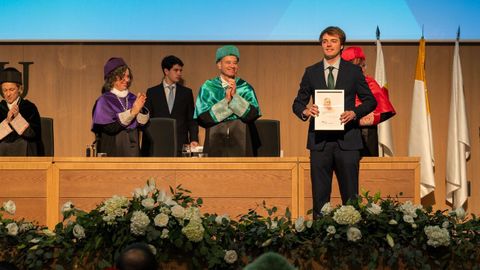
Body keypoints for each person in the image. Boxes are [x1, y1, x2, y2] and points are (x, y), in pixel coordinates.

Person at [292, 26, 377, 218]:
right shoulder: (311, 72)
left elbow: (371, 101)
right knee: (320, 198)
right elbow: (297, 103)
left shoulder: (354, 72)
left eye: (333, 41)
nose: (328, 45)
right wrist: (306, 110)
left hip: (348, 141)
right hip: (320, 143)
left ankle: (352, 238)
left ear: (341, 45)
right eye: (325, 41)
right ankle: (321, 240)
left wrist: (354, 113)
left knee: (350, 197)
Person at [194, 45, 261, 157]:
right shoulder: (208, 87)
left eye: (235, 63)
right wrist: (226, 101)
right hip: (214, 140)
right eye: (228, 62)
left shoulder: (245, 87)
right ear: (219, 65)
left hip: (241, 139)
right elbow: (202, 118)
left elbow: (253, 115)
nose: (232, 66)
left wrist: (235, 98)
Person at [341, 46, 396, 156]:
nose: (362, 69)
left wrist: (356, 120)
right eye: (358, 66)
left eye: (363, 65)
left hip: (365, 135)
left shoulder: (369, 82)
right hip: (342, 135)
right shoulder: (338, 84)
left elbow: (385, 112)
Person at [92, 57, 149, 157]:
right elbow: (110, 128)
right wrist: (132, 113)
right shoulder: (104, 101)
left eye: (128, 76)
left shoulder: (132, 98)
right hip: (112, 150)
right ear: (112, 77)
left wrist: (141, 110)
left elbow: (143, 126)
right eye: (122, 76)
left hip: (133, 150)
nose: (126, 80)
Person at [144, 55, 198, 156]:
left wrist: (194, 139)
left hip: (181, 145)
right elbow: (148, 120)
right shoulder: (152, 92)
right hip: (158, 144)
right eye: (176, 70)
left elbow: (191, 120)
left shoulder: (186, 93)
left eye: (180, 70)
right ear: (166, 71)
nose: (179, 73)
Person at [0, 67, 43, 156]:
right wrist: (7, 121)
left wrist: (17, 119)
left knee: (24, 144)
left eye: (12, 90)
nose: (8, 94)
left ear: (19, 89)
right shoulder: (0, 108)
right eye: (5, 90)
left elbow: (35, 135)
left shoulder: (29, 107)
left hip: (25, 150)